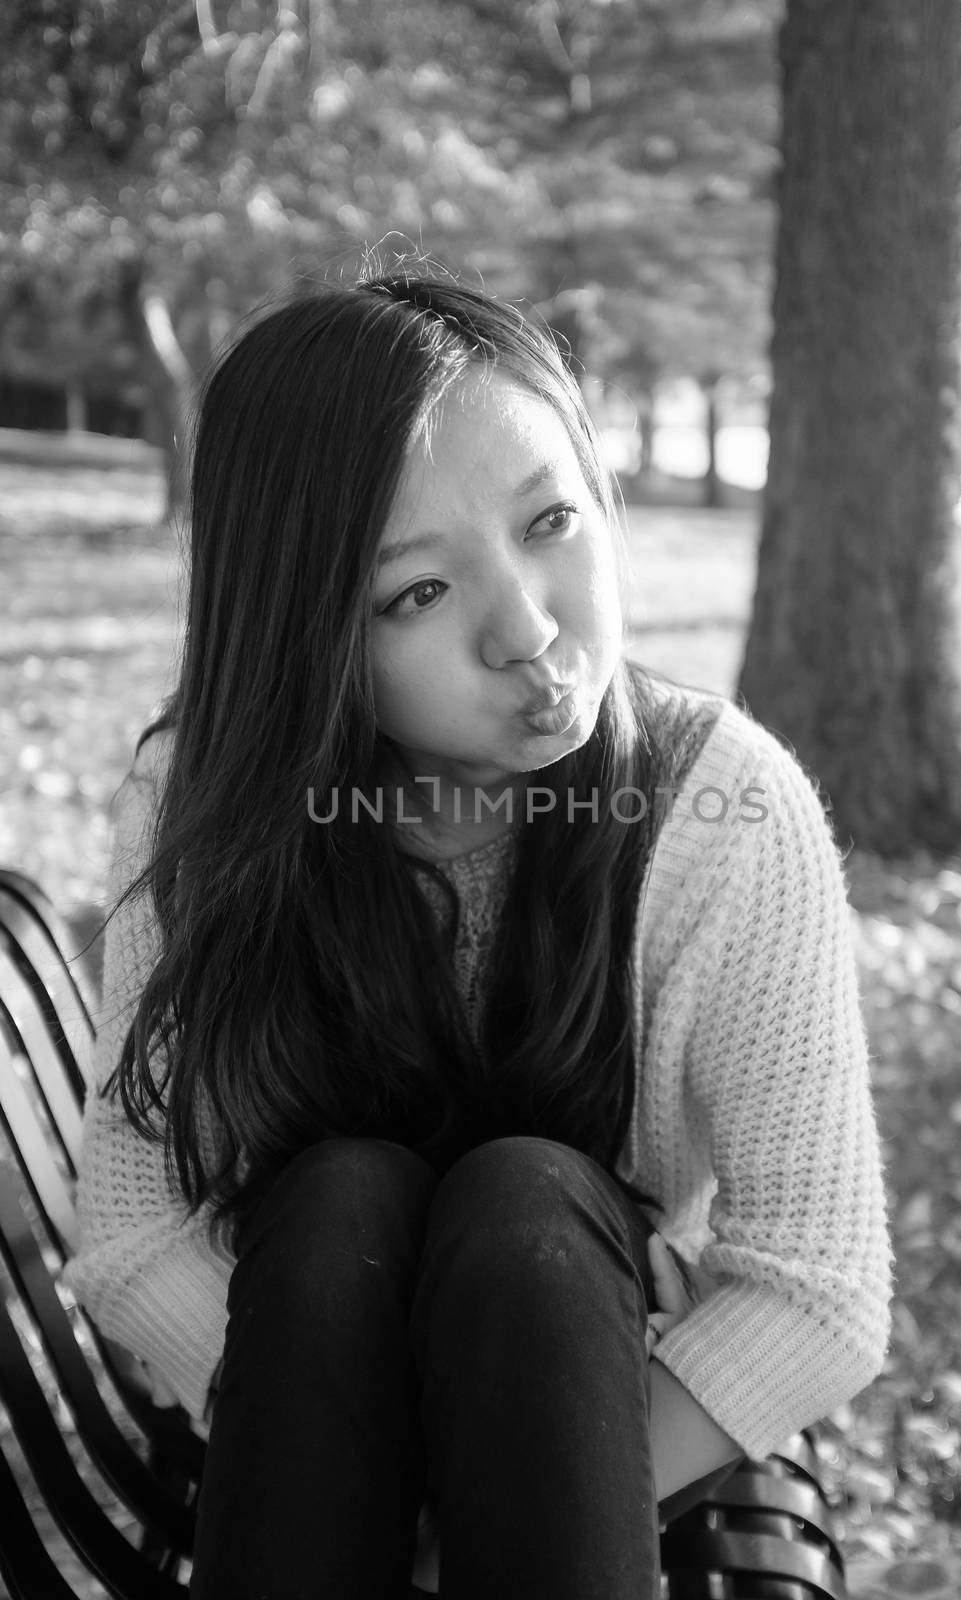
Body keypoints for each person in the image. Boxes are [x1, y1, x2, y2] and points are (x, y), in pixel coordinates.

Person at [62, 271, 892, 1600]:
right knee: (338, 1202)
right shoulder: (210, 803)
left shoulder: (724, 812)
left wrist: (513, 1487)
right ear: (306, 637)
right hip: (295, 1361)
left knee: (524, 1201)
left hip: (578, 1374)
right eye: (418, 594)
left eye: (550, 520)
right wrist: (372, 1463)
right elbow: (137, 1230)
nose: (530, 629)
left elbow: (819, 1289)